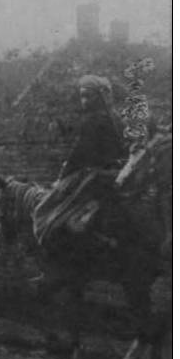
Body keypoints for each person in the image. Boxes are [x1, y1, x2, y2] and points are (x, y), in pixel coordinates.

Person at [33, 74, 127, 251]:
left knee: (51, 206)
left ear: (99, 97)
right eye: (81, 96)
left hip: (98, 175)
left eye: (87, 96)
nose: (83, 101)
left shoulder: (93, 121)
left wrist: (62, 177)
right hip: (118, 172)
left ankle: (56, 247)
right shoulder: (117, 119)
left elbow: (79, 154)